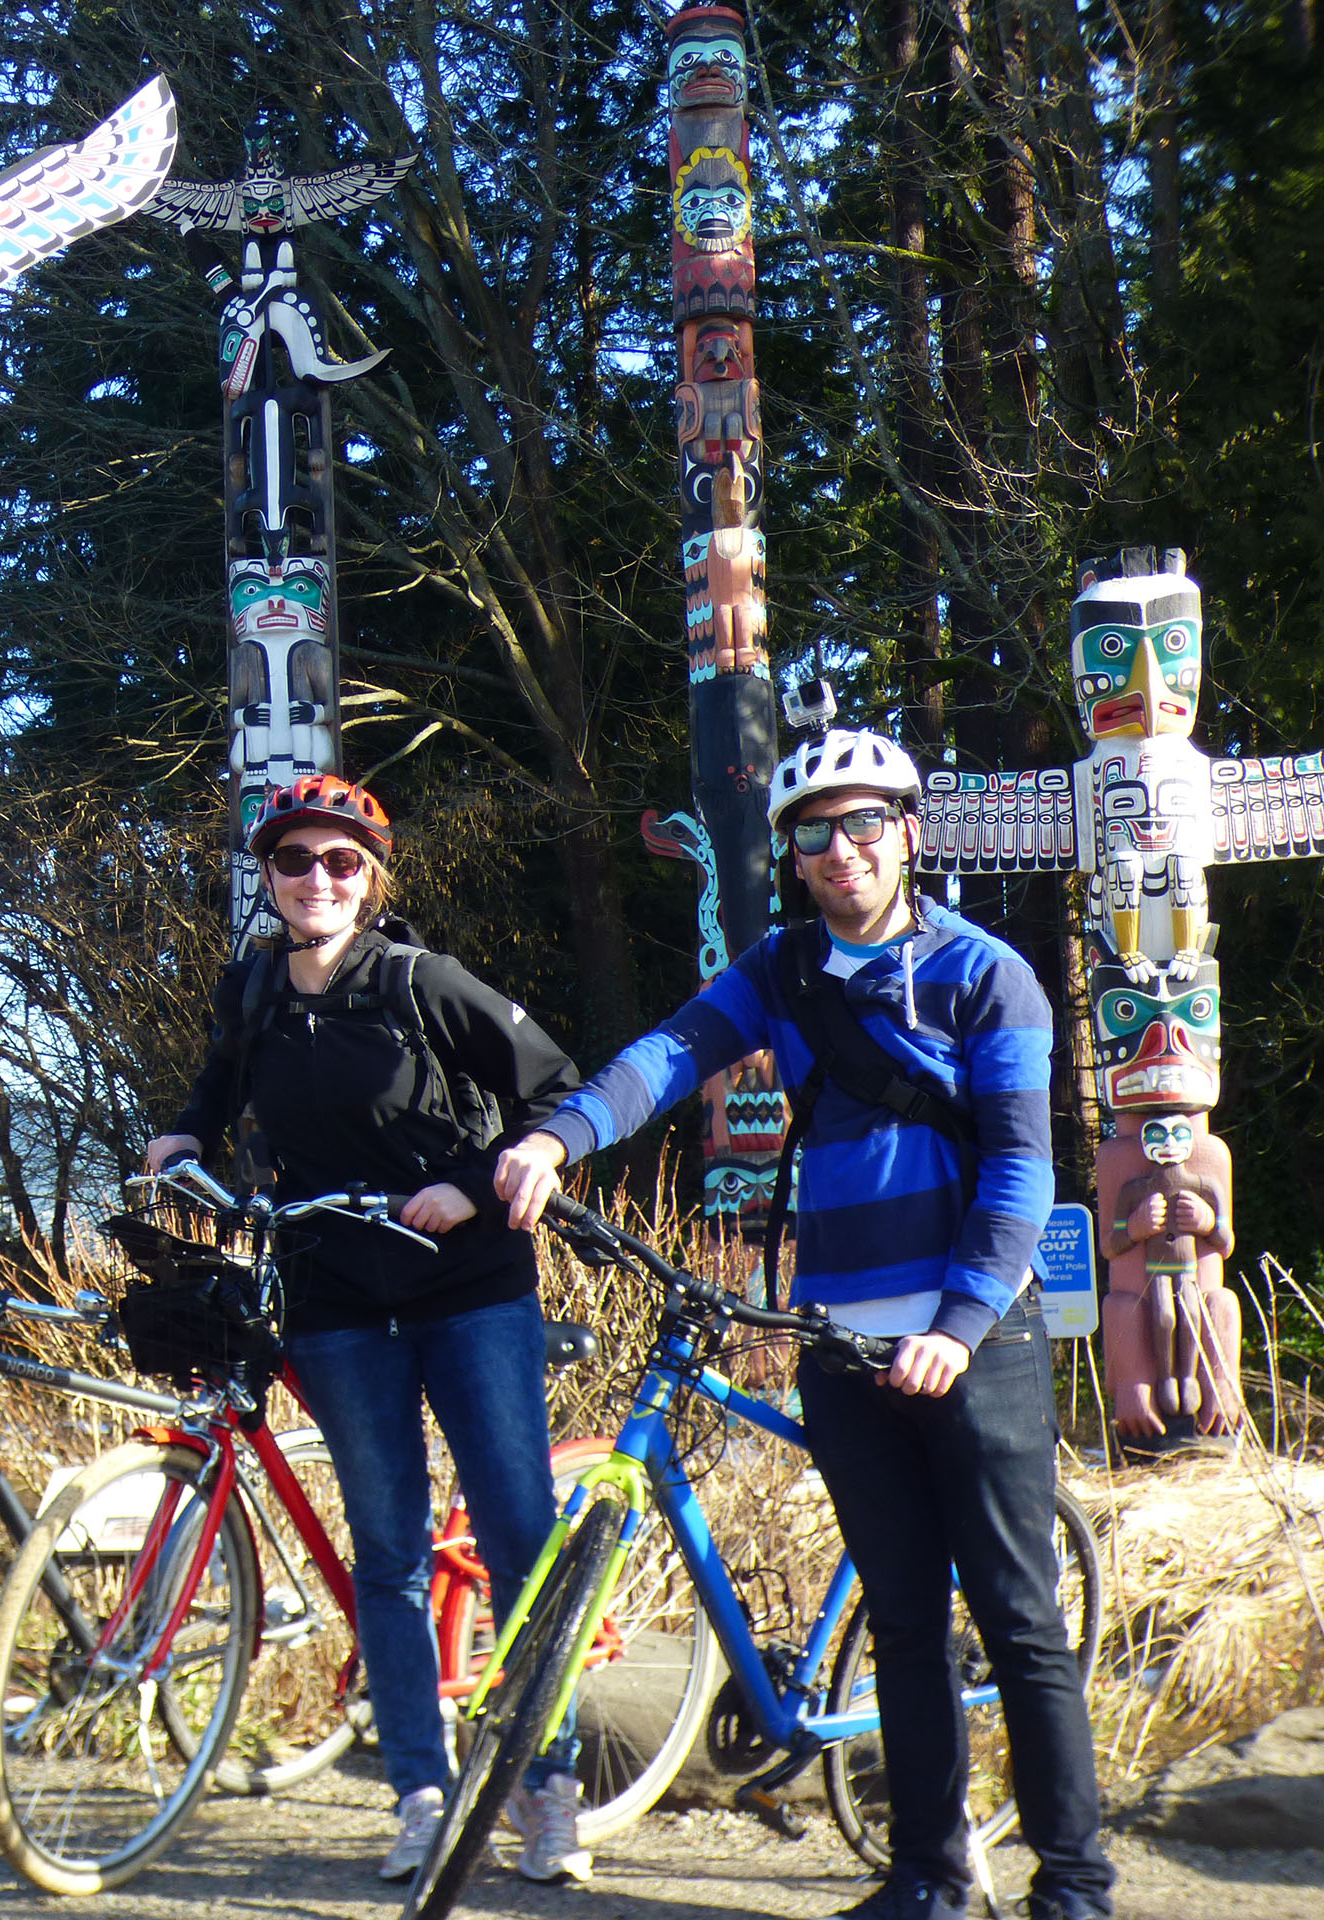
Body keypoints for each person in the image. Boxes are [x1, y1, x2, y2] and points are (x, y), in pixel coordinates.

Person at [491, 728, 1114, 1920]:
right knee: (900, 1616)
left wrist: (963, 1319)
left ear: (907, 831)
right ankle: (927, 1873)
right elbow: (666, 1057)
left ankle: (1073, 1884)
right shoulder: (780, 971)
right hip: (837, 1339)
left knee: (1017, 1617)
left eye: (865, 822)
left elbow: (1024, 1173)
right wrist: (554, 1137)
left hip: (968, 1338)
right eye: (815, 832)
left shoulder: (988, 974)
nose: (843, 849)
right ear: (791, 856)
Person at [143, 774, 590, 1884]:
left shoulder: (419, 981)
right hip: (335, 1296)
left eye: (341, 862)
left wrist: (475, 1188)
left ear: (372, 878)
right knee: (385, 1554)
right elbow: (214, 1091)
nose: (317, 880)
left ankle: (546, 1787)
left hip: (468, 1285)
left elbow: (554, 1093)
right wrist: (179, 1140)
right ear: (269, 879)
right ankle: (420, 1794)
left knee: (518, 1537)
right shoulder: (252, 991)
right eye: (295, 861)